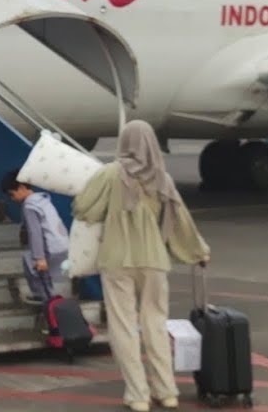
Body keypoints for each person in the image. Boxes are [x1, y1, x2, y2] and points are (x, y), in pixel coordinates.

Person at [73, 120, 210, 412]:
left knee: (123, 328)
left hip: (117, 260)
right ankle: (167, 391)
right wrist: (198, 251)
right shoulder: (163, 179)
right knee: (155, 325)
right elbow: (181, 222)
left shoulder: (110, 174)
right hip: (154, 261)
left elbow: (85, 208)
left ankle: (137, 395)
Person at [1, 170, 69, 304]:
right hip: (62, 243)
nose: (12, 199)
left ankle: (45, 299)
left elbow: (35, 232)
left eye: (12, 194)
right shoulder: (42, 200)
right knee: (45, 273)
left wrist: (39, 257)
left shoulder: (29, 206)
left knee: (32, 265)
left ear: (21, 187)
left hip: (50, 246)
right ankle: (48, 297)